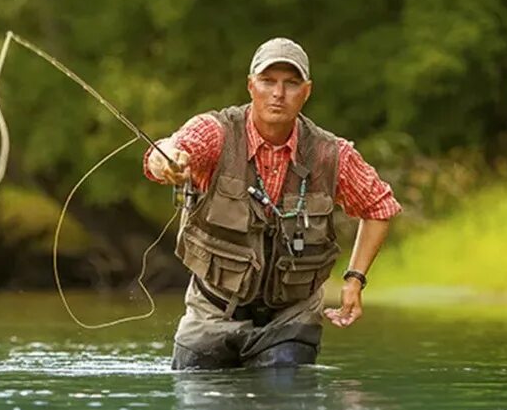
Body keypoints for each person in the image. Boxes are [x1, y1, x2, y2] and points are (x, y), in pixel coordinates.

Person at [144, 37, 401, 369]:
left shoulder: (330, 154)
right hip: (213, 310)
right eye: (268, 81)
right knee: (199, 400)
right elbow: (165, 150)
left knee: (285, 402)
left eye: (291, 83)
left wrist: (355, 280)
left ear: (306, 91)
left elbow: (380, 207)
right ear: (251, 86)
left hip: (290, 320)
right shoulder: (216, 133)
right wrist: (167, 163)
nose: (278, 93)